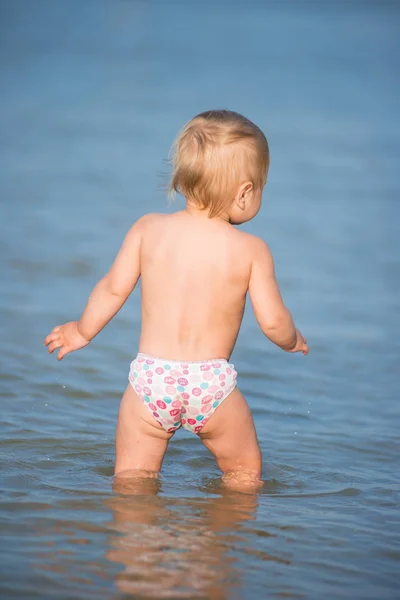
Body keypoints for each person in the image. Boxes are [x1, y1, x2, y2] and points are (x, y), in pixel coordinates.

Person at [44, 110, 309, 489]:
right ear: (245, 192)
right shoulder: (251, 249)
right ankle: (219, 542)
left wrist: (81, 332)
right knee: (244, 473)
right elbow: (272, 322)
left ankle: (134, 543)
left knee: (133, 479)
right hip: (210, 384)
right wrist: (293, 339)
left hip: (151, 380)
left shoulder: (148, 229)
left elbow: (113, 289)